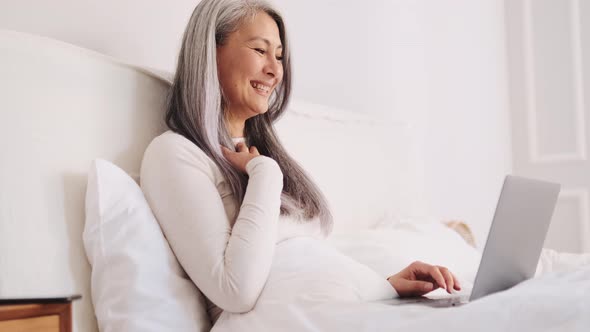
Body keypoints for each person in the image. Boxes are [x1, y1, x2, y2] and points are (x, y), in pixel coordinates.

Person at [140, 0, 461, 324]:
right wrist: (265, 176)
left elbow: (308, 267)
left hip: (355, 312)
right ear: (211, 52)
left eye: (278, 56)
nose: (275, 70)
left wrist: (385, 285)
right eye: (260, 50)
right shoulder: (175, 155)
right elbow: (234, 290)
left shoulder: (262, 153)